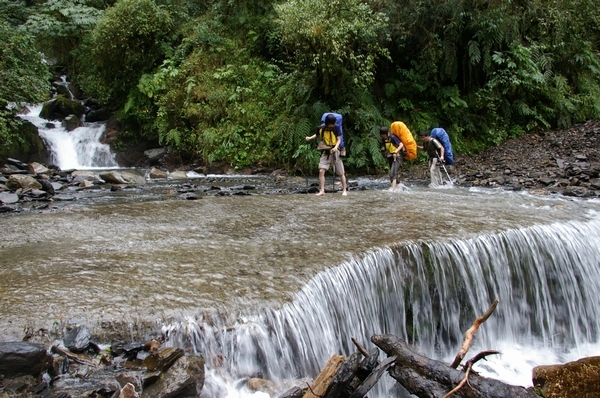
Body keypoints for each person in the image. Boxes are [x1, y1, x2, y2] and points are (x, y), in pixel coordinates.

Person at [306, 113, 348, 196]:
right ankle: (322, 191)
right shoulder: (321, 128)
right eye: (332, 124)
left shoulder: (336, 128)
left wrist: (336, 147)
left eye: (334, 123)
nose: (333, 125)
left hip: (335, 151)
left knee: (341, 173)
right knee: (321, 170)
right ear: (327, 123)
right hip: (326, 152)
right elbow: (317, 135)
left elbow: (339, 139)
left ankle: (344, 190)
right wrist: (310, 138)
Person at [379, 126, 404, 190]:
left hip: (398, 156)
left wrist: (396, 152)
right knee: (392, 172)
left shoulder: (393, 137)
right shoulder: (384, 140)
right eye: (382, 135)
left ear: (387, 133)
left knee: (393, 172)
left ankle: (393, 189)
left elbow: (401, 145)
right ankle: (398, 186)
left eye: (384, 135)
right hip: (391, 157)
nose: (383, 136)